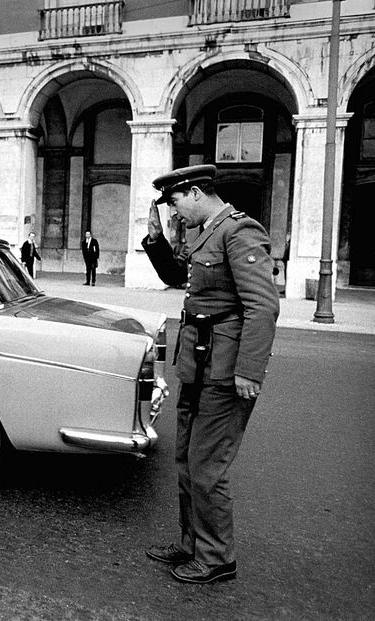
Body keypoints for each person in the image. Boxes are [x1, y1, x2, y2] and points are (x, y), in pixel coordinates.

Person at [141, 164, 278, 584]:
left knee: (206, 466)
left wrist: (249, 371)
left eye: (177, 203)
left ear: (197, 193)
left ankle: (218, 557)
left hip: (225, 370)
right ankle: (191, 543)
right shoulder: (205, 233)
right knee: (185, 460)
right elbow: (176, 278)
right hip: (198, 365)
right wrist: (155, 240)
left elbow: (262, 306)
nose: (175, 213)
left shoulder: (240, 232)